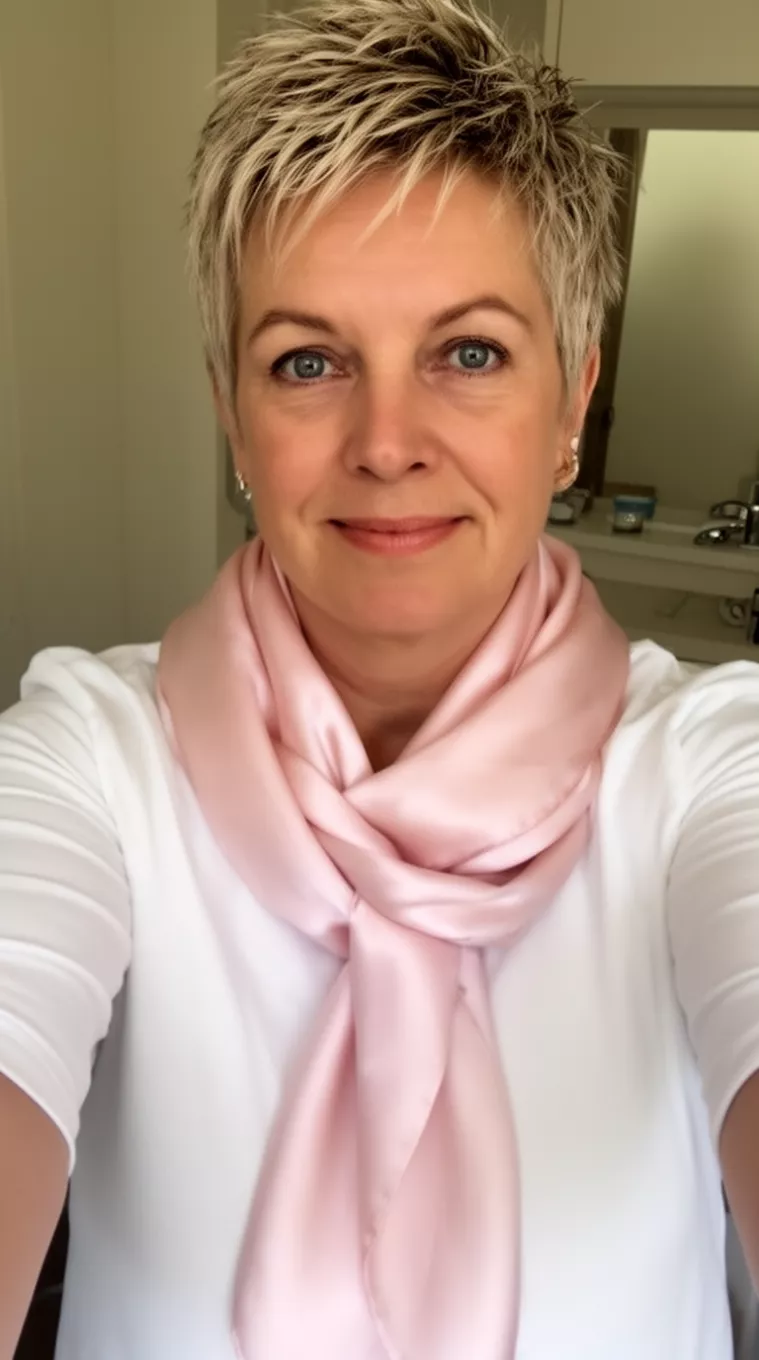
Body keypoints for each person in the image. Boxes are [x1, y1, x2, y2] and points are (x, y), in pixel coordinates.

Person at [1, 0, 759, 1355]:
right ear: (232, 415)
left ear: (571, 403)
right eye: (308, 362)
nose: (386, 440)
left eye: (468, 353)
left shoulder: (704, 766)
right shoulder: (95, 761)